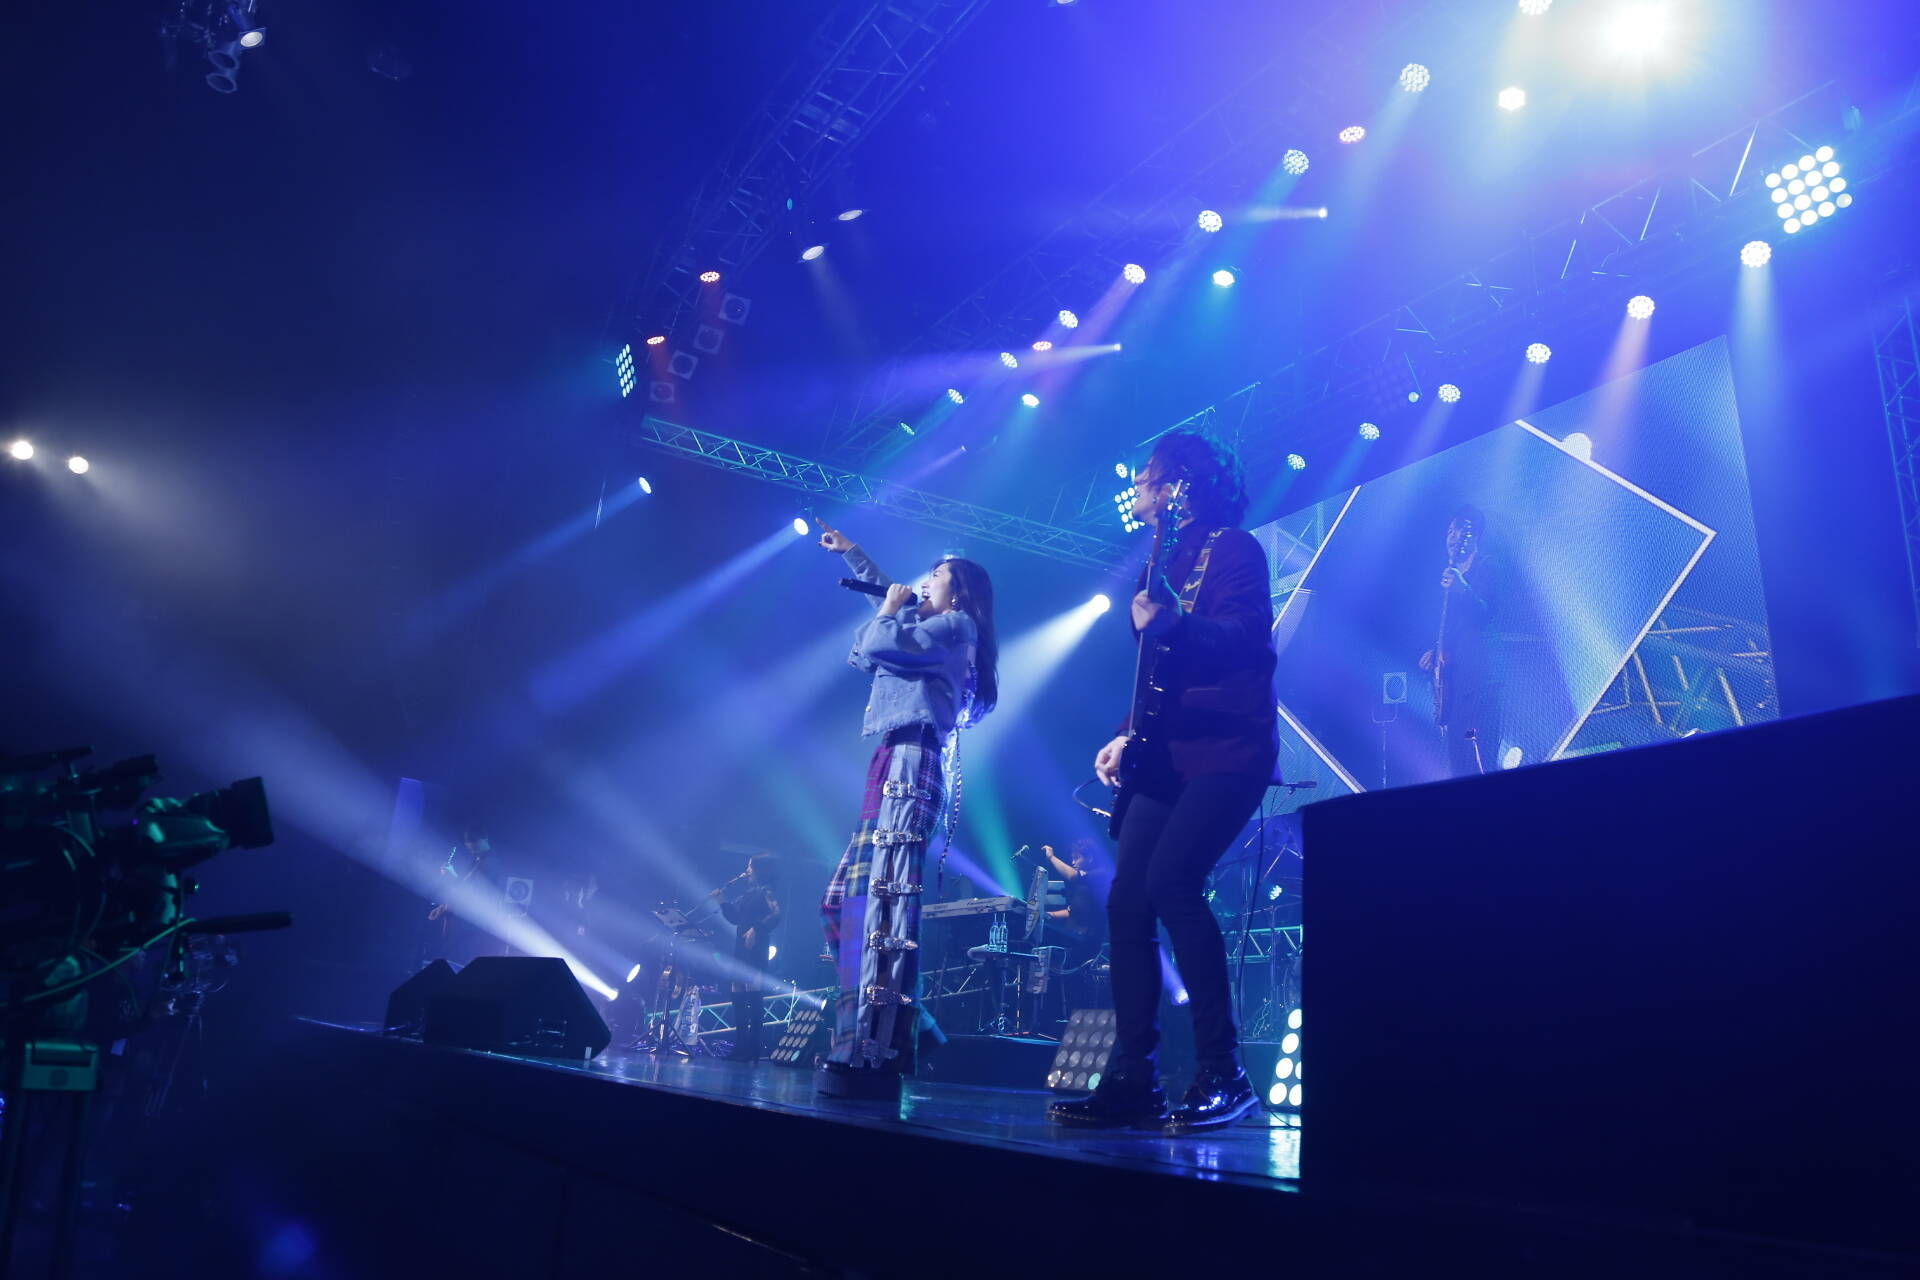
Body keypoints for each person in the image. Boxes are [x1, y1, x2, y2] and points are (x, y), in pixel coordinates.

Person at [1050, 428, 1277, 1134]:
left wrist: (1174, 624)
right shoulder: (1164, 561)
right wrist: (1126, 734)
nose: (1139, 487)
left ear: (1179, 486)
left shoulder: (1233, 549)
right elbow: (1160, 675)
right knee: (1127, 902)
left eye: (1149, 475)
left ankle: (1224, 1071)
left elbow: (1245, 639)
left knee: (1173, 881)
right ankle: (1133, 1078)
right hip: (1167, 756)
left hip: (1228, 749)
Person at [814, 516, 998, 1101]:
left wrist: (892, 608)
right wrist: (854, 554)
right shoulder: (935, 624)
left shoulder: (957, 626)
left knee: (880, 913)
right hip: (894, 757)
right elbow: (890, 606)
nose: (923, 581)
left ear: (958, 592)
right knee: (845, 903)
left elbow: (881, 641)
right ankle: (906, 1025)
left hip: (912, 762)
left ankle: (874, 1047)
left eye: (935, 576)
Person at [1418, 505, 1501, 778]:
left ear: (1473, 535)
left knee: (1480, 761)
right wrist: (1435, 651)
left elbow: (1486, 613)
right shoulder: (1446, 580)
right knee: (1457, 768)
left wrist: (1461, 586)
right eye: (1449, 531)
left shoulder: (1488, 566)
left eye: (1459, 530)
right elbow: (1449, 629)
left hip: (1480, 684)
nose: (1452, 537)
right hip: (1451, 689)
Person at [711, 853, 782, 1061]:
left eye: (750, 866)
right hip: (741, 945)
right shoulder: (749, 892)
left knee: (753, 993)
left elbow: (776, 914)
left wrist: (756, 929)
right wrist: (722, 902)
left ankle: (753, 1048)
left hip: (756, 946)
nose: (747, 870)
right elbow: (736, 919)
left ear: (760, 869)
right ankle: (740, 1046)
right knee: (738, 992)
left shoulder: (766, 890)